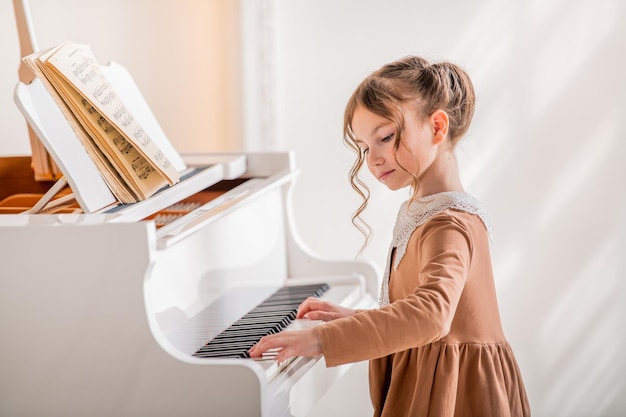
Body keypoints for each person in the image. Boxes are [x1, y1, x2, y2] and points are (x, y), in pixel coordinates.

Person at [249, 55, 531, 417]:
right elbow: (426, 318)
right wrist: (355, 319)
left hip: (459, 396)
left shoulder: (449, 224)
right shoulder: (425, 209)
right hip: (435, 382)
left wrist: (322, 340)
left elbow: (432, 316)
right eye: (365, 146)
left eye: (385, 137)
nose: (373, 159)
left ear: (437, 128)